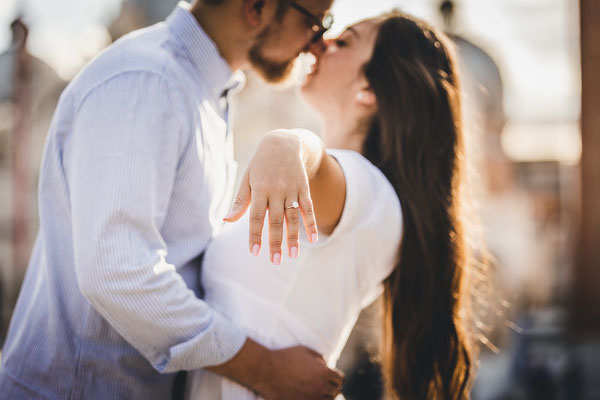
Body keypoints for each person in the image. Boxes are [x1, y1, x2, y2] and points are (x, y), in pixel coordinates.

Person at [0, 1, 346, 399]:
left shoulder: (199, 90)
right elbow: (119, 270)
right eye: (314, 24)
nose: (316, 44)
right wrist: (265, 370)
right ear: (257, 8)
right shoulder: (147, 80)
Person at [188, 11, 478, 400]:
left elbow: (320, 167)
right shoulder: (367, 199)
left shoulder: (371, 199)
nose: (320, 42)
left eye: (344, 42)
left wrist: (288, 143)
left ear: (368, 89)